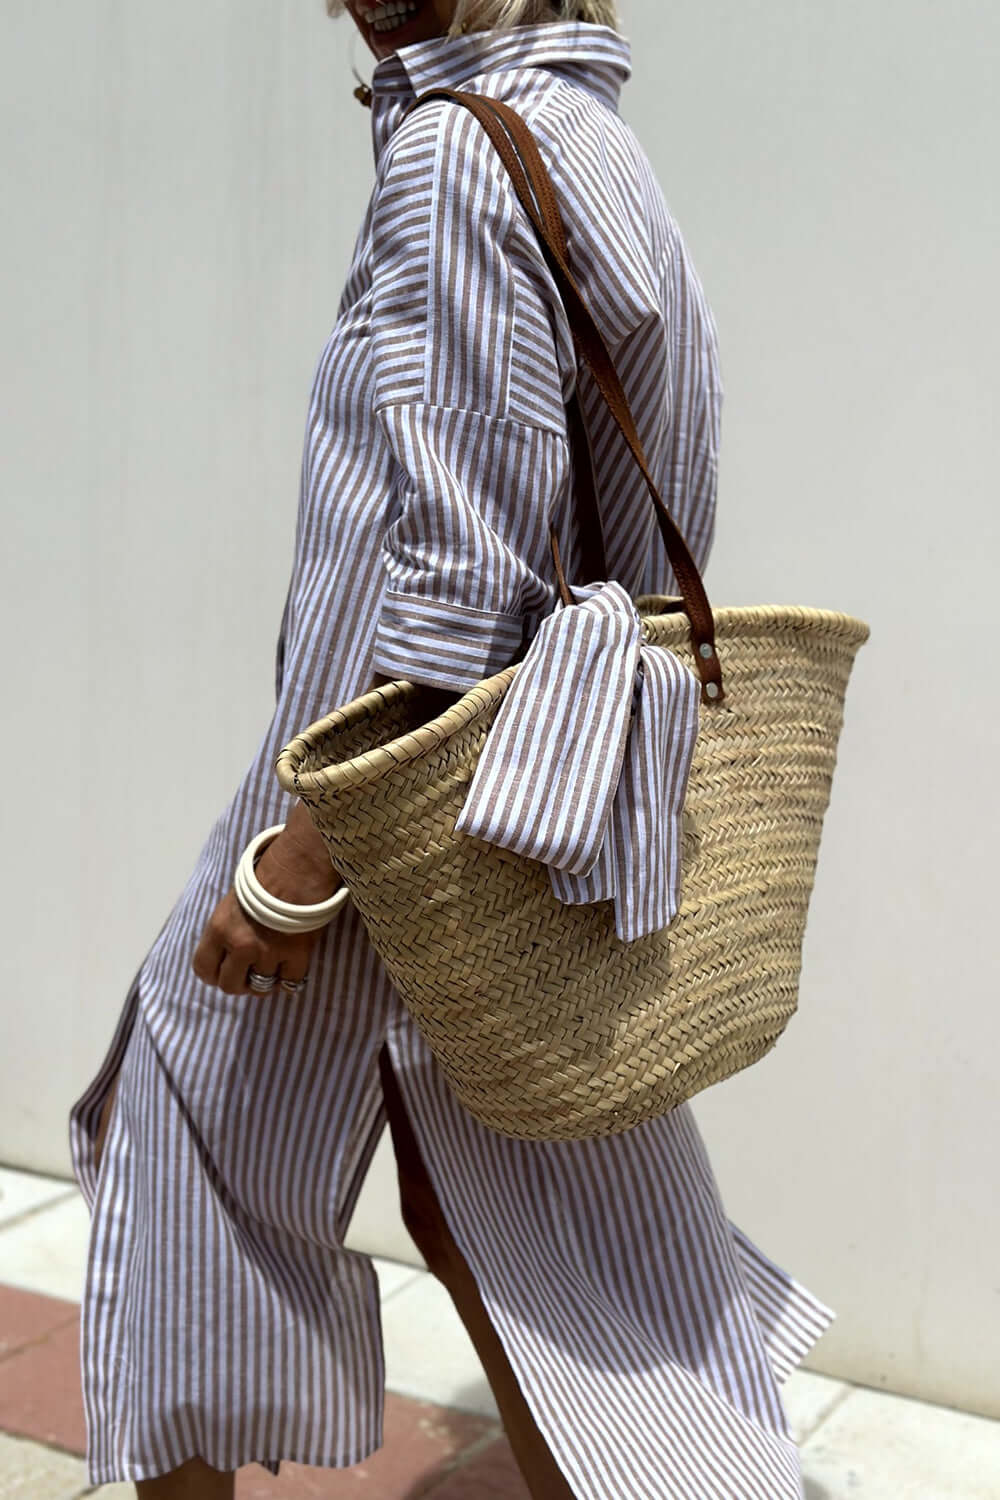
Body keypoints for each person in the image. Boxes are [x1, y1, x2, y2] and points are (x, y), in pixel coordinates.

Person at [69, 2, 835, 1496]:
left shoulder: (456, 155)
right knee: (574, 1247)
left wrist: (299, 862)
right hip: (548, 798)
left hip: (407, 798)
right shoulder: (591, 136)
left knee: (184, 1124)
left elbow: (461, 587)